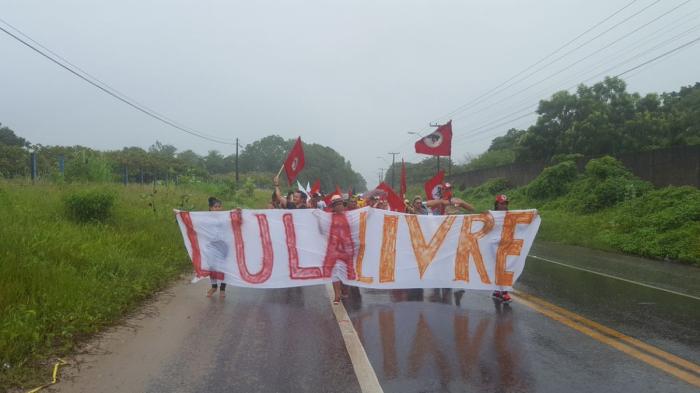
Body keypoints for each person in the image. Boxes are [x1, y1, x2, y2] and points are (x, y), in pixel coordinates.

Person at [491, 194, 512, 303]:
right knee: (500, 266)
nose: (504, 205)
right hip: (494, 244)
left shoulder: (510, 215)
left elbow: (524, 219)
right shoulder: (491, 215)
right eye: (502, 203)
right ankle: (503, 292)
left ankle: (497, 290)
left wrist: (533, 214)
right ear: (497, 204)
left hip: (506, 243)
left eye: (506, 203)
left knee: (504, 266)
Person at [206, 197, 227, 298]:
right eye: (215, 207)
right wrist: (180, 214)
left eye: (219, 206)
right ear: (210, 208)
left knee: (224, 268)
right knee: (212, 266)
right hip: (212, 246)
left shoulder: (226, 217)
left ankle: (222, 289)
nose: (218, 208)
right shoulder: (205, 218)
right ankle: (214, 286)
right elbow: (193, 222)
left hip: (223, 246)